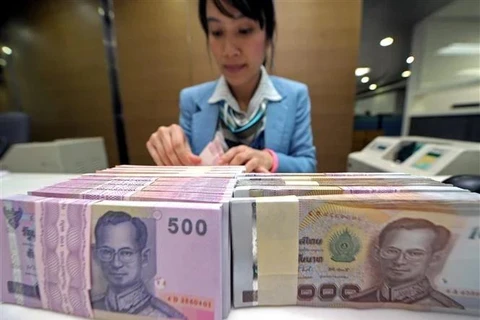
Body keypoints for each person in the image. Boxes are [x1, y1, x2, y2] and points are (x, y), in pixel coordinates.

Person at [146, 0, 316, 173]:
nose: (228, 51)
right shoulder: (192, 100)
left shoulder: (295, 95)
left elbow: (308, 165)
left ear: (268, 34)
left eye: (244, 30)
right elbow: (185, 172)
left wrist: (269, 159)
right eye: (217, 32)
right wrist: (170, 149)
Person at [348, 218, 464, 309]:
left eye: (414, 253)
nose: (399, 261)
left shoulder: (447, 309)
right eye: (392, 251)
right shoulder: (355, 302)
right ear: (377, 253)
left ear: (434, 258)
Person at [92, 211, 186, 319]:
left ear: (144, 257)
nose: (116, 263)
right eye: (107, 252)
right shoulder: (89, 307)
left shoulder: (168, 317)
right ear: (96, 256)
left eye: (126, 253)